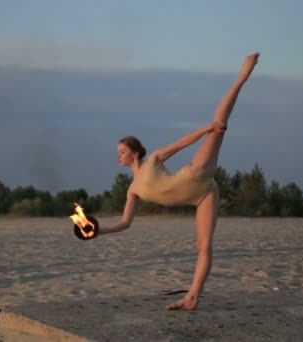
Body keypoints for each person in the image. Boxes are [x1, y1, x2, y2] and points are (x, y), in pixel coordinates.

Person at [98, 53, 260, 311]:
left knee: (219, 126)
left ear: (135, 152)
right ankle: (192, 297)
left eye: (121, 151)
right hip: (203, 196)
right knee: (203, 245)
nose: (118, 155)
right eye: (117, 152)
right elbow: (125, 223)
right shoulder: (132, 190)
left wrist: (206, 129)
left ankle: (243, 75)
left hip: (196, 174)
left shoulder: (153, 160)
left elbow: (182, 143)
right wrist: (98, 230)